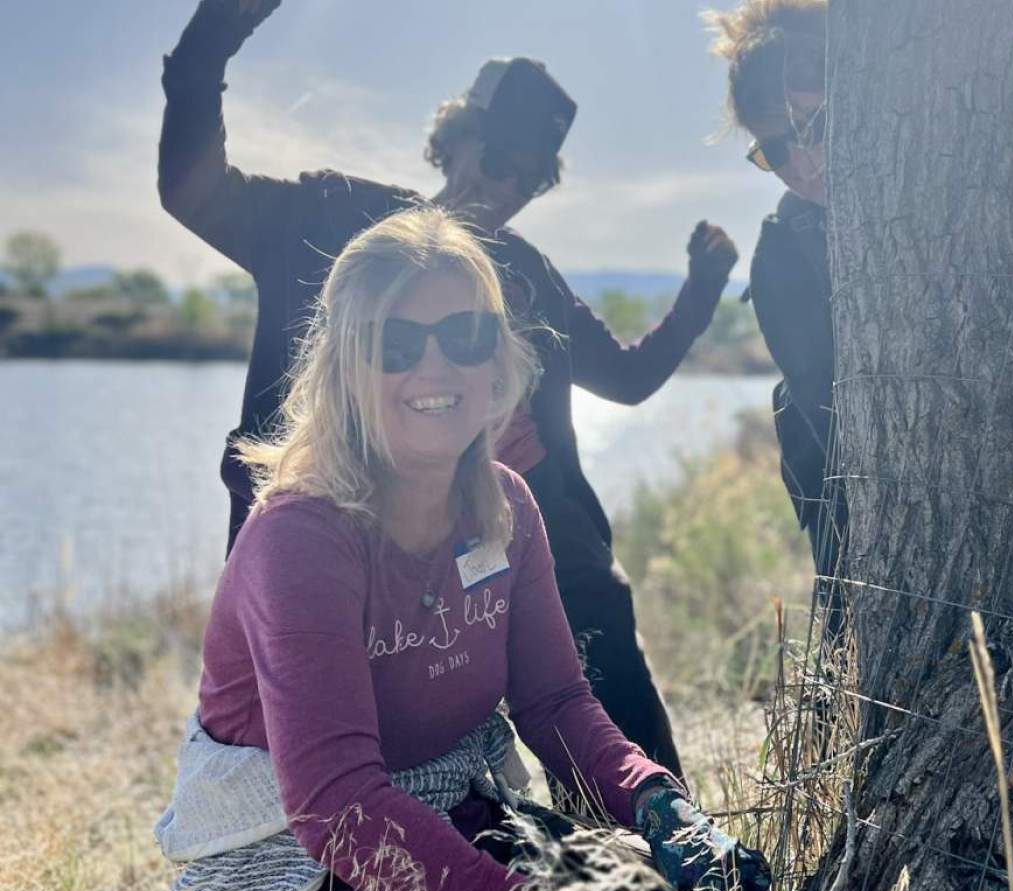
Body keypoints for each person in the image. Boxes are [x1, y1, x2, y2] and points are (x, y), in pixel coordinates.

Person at [158, 0, 739, 777]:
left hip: (513, 522)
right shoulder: (335, 221)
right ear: (454, 138)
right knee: (334, 759)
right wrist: (214, 36)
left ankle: (675, 851)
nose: (507, 191)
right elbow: (193, 192)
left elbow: (628, 380)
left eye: (532, 180)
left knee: (597, 633)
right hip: (344, 526)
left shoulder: (527, 273)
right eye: (498, 161)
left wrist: (702, 291)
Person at [154, 207, 769, 891]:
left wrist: (662, 808)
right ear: (344, 364)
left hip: (448, 809)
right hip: (289, 856)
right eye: (396, 341)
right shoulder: (301, 538)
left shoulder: (507, 506)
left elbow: (555, 704)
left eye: (465, 335)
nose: (435, 366)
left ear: (500, 359)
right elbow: (337, 803)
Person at [705, 0, 846, 639]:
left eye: (815, 123)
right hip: (843, 496)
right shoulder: (781, 254)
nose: (804, 161)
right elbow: (826, 406)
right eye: (776, 148)